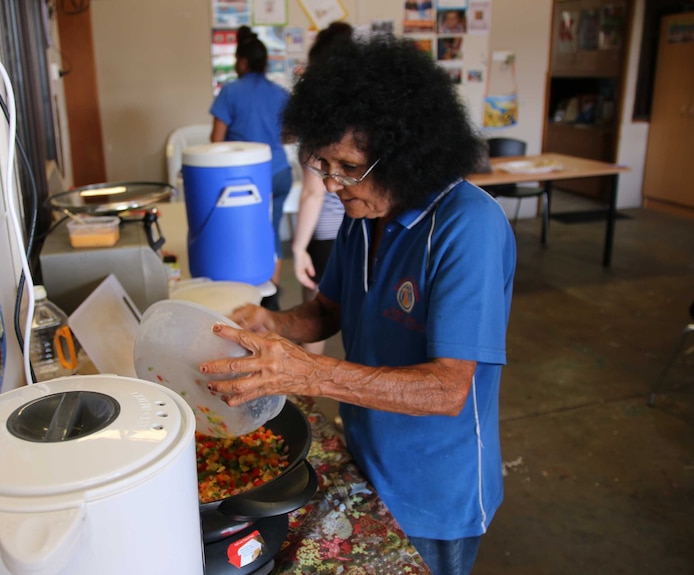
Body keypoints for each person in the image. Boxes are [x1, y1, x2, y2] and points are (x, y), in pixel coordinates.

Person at [200, 35, 517, 575]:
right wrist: (272, 323)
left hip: (434, 492)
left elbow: (448, 389)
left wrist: (307, 374)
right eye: (321, 164)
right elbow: (329, 310)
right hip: (367, 458)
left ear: (405, 152)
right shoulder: (363, 215)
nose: (329, 185)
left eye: (345, 166)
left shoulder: (469, 228)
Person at [210, 26, 292, 309]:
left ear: (242, 62)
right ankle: (271, 299)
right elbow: (286, 136)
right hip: (280, 173)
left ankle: (245, 304)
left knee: (240, 234)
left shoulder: (230, 91)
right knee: (272, 230)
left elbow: (215, 141)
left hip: (244, 180)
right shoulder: (280, 93)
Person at [291, 22, 352, 355]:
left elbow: (314, 192)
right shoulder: (368, 112)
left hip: (327, 233)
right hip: (363, 229)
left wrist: (299, 247)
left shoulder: (322, 121)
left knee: (315, 320)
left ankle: (307, 400)